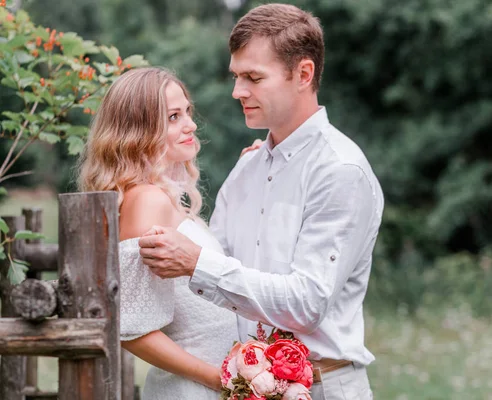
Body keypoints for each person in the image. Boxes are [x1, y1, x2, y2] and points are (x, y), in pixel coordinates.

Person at [139, 4, 384, 399]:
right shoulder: (246, 171)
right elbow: (217, 288)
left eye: (253, 77)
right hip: (246, 387)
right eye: (236, 77)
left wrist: (196, 263)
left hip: (322, 385)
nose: (238, 91)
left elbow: (306, 304)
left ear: (303, 74)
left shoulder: (339, 171)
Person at [78, 67, 239, 400]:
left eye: (188, 112)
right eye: (174, 116)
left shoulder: (161, 197)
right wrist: (218, 379)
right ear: (139, 129)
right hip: (193, 390)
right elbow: (133, 329)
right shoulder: (147, 199)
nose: (191, 125)